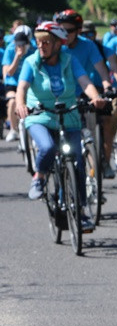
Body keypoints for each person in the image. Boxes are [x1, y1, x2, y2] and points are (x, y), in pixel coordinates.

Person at [15, 21, 107, 230]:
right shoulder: (31, 62)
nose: (41, 46)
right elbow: (22, 87)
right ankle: (39, 176)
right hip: (40, 116)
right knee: (47, 147)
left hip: (68, 116)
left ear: (58, 43)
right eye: (38, 42)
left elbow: (85, 82)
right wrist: (20, 104)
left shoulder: (69, 60)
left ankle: (80, 210)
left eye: (46, 42)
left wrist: (96, 98)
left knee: (78, 164)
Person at [55, 10, 117, 178]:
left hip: (86, 93)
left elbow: (102, 70)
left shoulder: (88, 45)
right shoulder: (55, 46)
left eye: (69, 31)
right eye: (61, 30)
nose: (65, 34)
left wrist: (107, 87)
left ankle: (99, 163)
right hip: (60, 96)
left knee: (95, 126)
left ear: (78, 30)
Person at [3, 25, 35, 142]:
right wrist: (17, 57)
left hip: (28, 82)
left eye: (23, 44)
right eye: (18, 44)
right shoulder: (10, 49)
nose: (20, 46)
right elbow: (8, 73)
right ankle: (13, 129)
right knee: (12, 102)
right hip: (13, 83)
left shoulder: (34, 49)